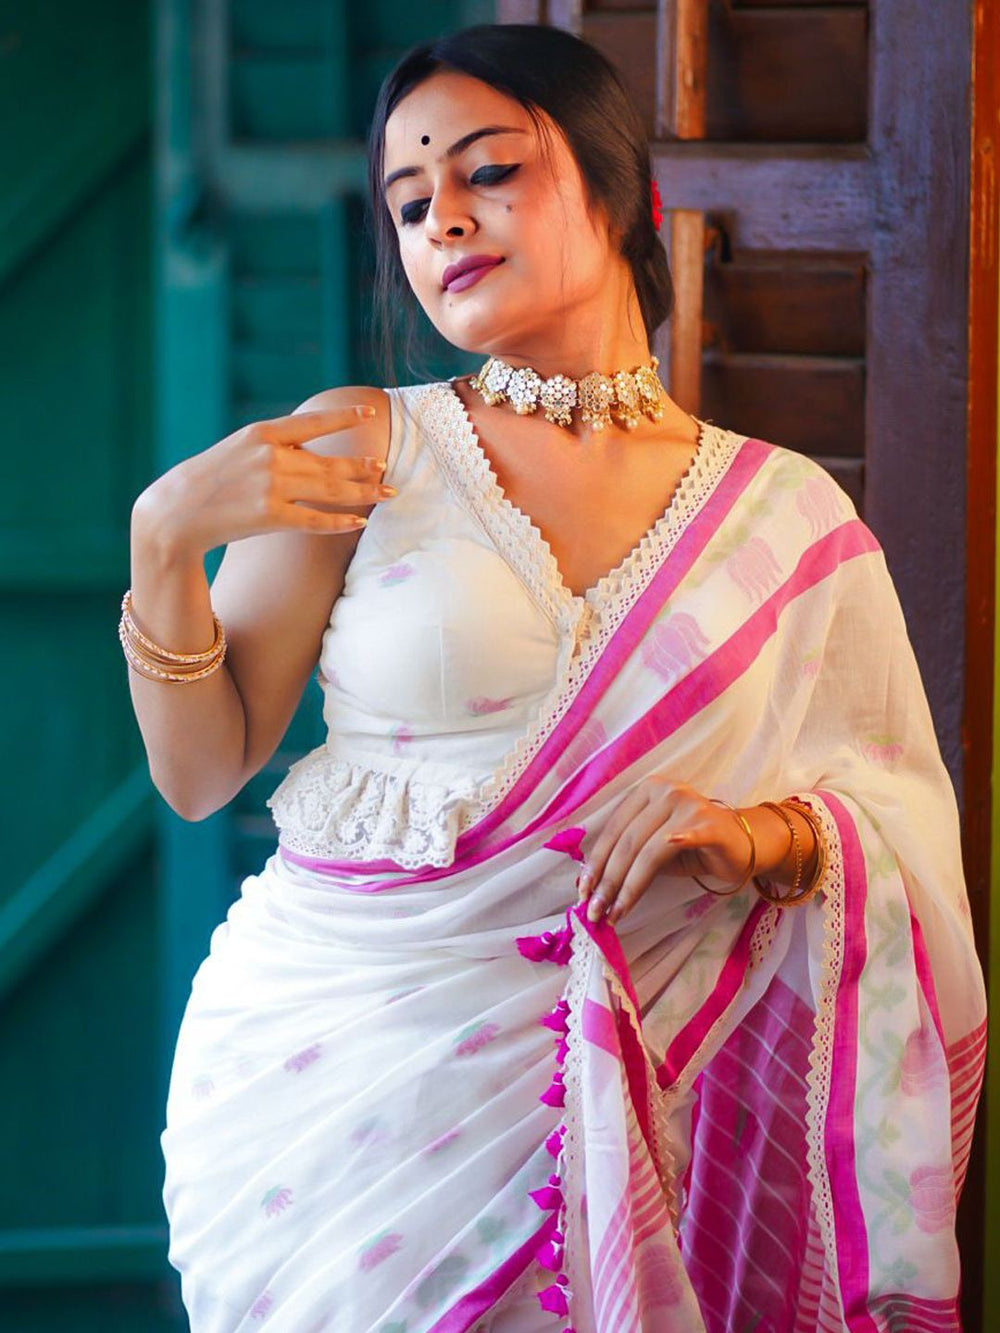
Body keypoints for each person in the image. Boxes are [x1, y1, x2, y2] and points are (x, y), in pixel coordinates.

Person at [124, 22, 987, 1333]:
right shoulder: (363, 445)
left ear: (620, 188)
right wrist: (161, 544)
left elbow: (898, 821)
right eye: (408, 202)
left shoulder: (790, 519)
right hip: (342, 1100)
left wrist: (758, 836)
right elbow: (201, 772)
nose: (443, 219)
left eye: (488, 172)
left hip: (655, 1100)